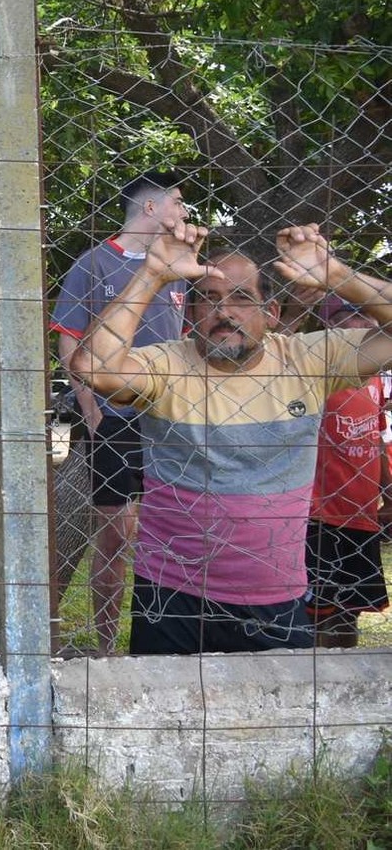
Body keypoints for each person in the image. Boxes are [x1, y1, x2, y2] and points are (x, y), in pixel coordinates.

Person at [72, 221, 392, 654]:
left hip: (275, 598)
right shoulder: (168, 363)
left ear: (271, 313)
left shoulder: (309, 359)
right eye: (210, 299)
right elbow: (93, 369)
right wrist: (152, 274)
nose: (226, 312)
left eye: (243, 298)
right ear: (190, 314)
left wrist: (335, 275)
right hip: (171, 597)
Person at [50, 172, 188, 655]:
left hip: (171, 422)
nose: (184, 212)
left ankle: (171, 638)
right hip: (117, 421)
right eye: (177, 202)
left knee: (175, 534)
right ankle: (107, 648)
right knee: (115, 539)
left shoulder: (180, 266)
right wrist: (90, 407)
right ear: (150, 208)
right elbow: (69, 340)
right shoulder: (94, 263)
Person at [306, 295, 391, 648]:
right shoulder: (316, 375)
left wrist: (387, 493)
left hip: (360, 517)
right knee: (311, 614)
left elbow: (378, 440)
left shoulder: (377, 381)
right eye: (348, 316)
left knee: (348, 612)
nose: (361, 323)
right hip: (317, 518)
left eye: (366, 316)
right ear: (329, 325)